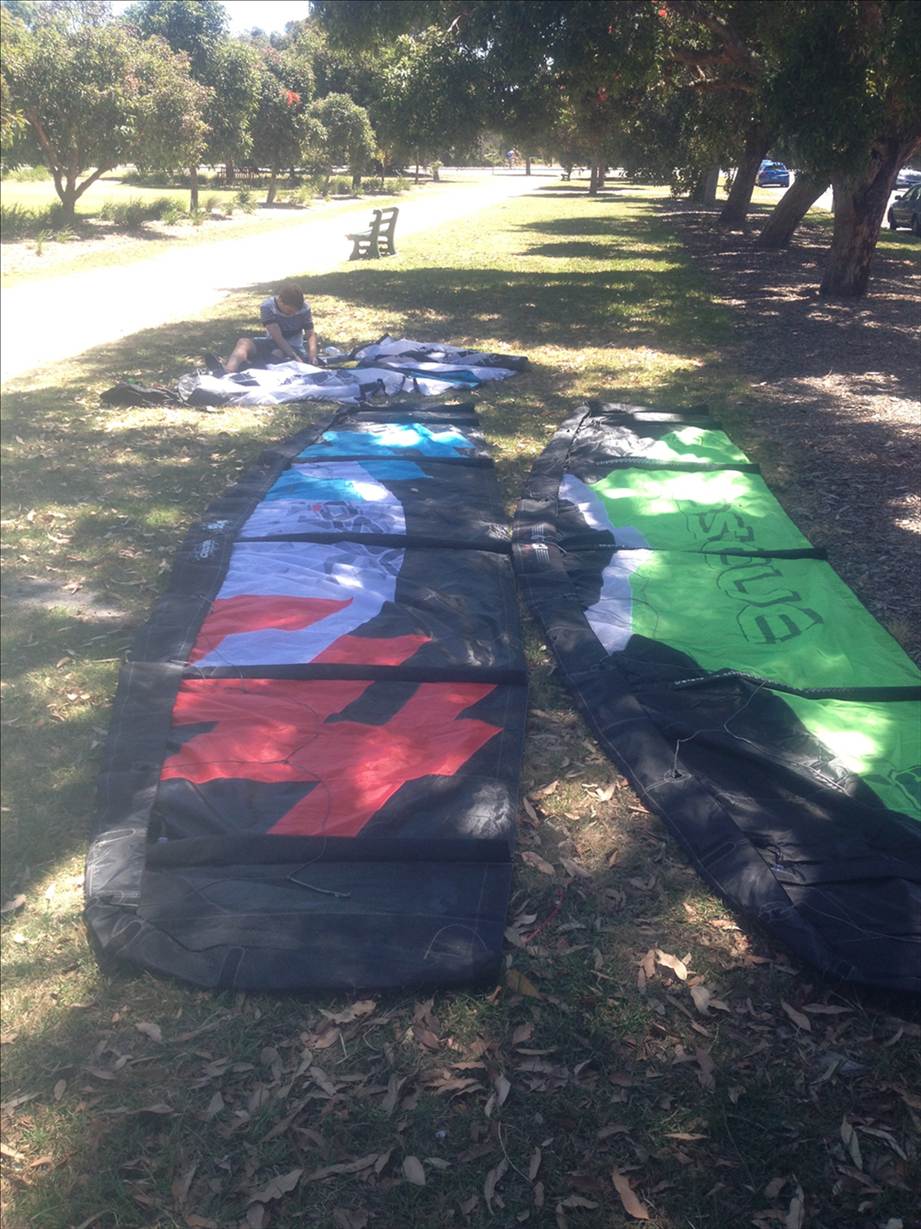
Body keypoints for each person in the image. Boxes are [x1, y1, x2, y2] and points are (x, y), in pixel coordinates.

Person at [207, 282, 318, 375]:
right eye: (289, 311)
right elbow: (277, 337)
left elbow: (310, 334)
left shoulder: (305, 308)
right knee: (243, 343)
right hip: (273, 341)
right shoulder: (267, 307)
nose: (293, 314)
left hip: (294, 347)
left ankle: (248, 366)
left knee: (277, 353)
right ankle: (228, 371)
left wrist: (312, 356)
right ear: (280, 301)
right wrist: (294, 356)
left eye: (295, 312)